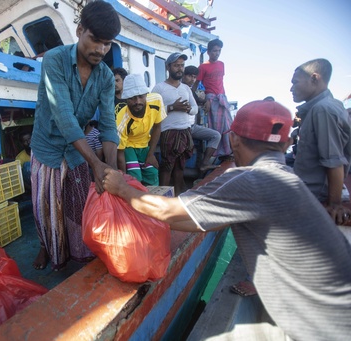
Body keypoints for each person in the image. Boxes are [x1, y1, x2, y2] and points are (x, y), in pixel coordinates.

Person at [102, 100, 351, 341]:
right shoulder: (287, 176)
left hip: (323, 323)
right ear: (286, 144)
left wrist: (122, 189)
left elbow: (171, 212)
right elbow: (200, 221)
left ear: (233, 139)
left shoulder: (251, 180)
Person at [29, 0, 121, 271]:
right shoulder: (54, 59)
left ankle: (74, 253)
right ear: (80, 30)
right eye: (96, 40)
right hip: (47, 147)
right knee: (44, 208)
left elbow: (107, 122)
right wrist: (96, 163)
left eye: (108, 44)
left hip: (76, 151)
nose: (101, 50)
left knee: (77, 207)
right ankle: (45, 247)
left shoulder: (105, 76)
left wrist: (111, 170)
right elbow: (64, 116)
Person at [291, 58, 351, 224]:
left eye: (295, 82)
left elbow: (334, 161)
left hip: (314, 199)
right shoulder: (324, 107)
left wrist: (334, 205)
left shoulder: (322, 110)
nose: (291, 88)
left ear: (314, 78)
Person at [151, 53, 196, 195]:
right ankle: (162, 198)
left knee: (180, 168)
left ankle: (177, 198)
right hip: (168, 132)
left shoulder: (186, 88)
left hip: (185, 131)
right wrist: (171, 107)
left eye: (182, 65)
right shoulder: (159, 88)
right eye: (176, 65)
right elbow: (152, 113)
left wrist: (188, 109)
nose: (180, 69)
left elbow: (195, 109)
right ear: (168, 67)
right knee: (167, 167)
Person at [116, 74, 165, 186]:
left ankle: (152, 201)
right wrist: (123, 176)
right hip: (129, 147)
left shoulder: (156, 100)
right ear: (126, 99)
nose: (137, 101)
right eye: (132, 98)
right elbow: (120, 152)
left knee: (152, 173)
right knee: (134, 177)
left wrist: (151, 154)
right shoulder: (122, 119)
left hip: (145, 145)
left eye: (141, 96)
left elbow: (157, 127)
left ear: (146, 94)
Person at [192, 39, 233, 159]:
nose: (217, 53)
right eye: (215, 51)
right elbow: (196, 84)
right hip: (211, 98)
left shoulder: (222, 64)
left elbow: (220, 82)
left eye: (219, 51)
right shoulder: (203, 67)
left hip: (222, 97)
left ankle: (227, 151)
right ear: (208, 52)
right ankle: (218, 153)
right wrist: (200, 99)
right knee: (216, 126)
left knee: (228, 125)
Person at [180, 64, 221, 173]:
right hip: (181, 127)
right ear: (183, 75)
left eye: (194, 77)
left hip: (192, 127)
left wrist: (207, 101)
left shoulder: (191, 91)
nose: (192, 79)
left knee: (216, 135)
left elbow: (198, 100)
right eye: (189, 76)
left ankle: (204, 163)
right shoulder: (179, 89)